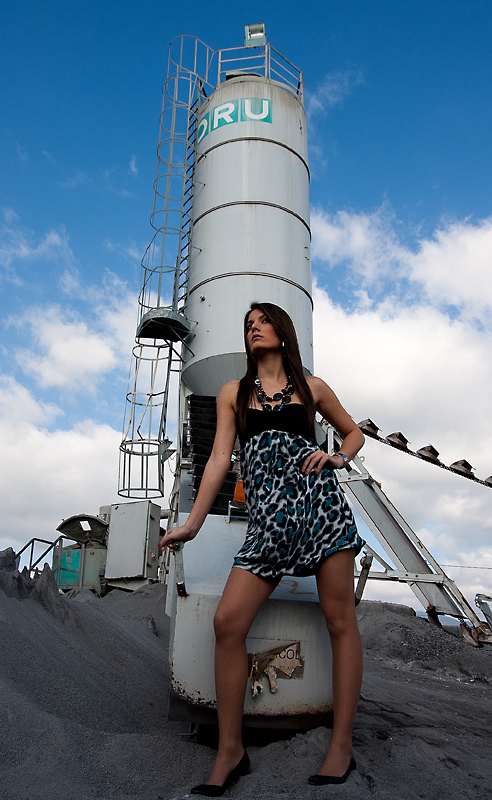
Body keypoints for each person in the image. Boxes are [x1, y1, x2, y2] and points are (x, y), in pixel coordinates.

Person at [159, 302, 365, 796]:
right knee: (228, 622)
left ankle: (341, 745)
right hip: (268, 521)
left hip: (319, 508)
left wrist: (337, 457)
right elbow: (218, 460)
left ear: (282, 330)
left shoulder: (313, 388)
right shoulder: (233, 392)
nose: (253, 329)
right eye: (247, 325)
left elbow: (353, 433)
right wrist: (192, 524)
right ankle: (231, 750)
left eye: (262, 321)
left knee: (340, 620)